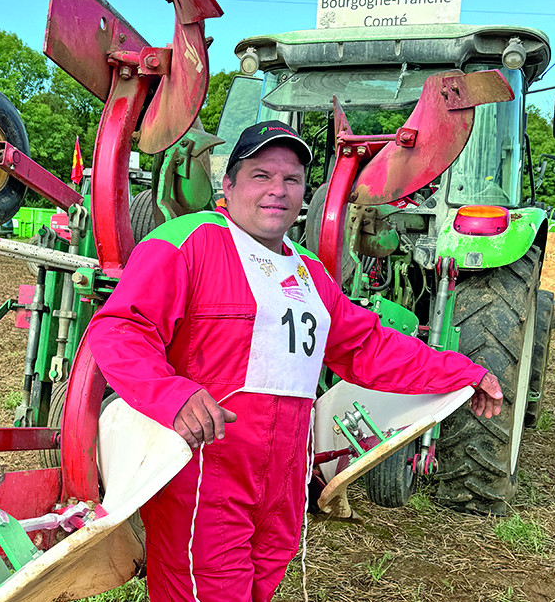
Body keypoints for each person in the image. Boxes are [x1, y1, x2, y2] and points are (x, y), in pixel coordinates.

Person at [85, 120, 502, 602]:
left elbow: (366, 347)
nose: (277, 191)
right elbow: (121, 328)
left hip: (284, 484)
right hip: (206, 477)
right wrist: (172, 394)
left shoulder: (308, 271)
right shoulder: (190, 241)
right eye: (261, 176)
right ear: (229, 185)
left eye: (291, 180)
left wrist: (463, 372)